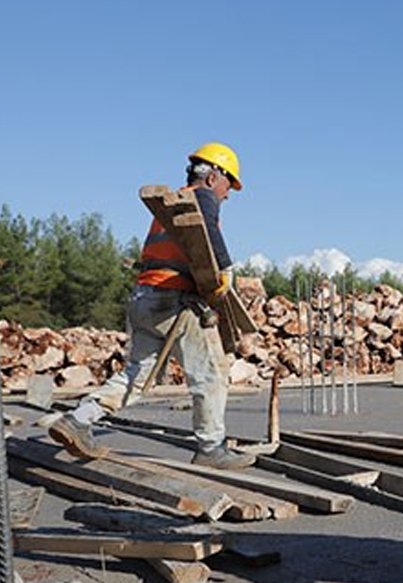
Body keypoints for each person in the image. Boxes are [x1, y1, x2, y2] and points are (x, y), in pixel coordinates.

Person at [48, 142, 254, 470]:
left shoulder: (171, 206)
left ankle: (79, 419)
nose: (228, 194)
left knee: (137, 376)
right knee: (212, 374)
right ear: (215, 176)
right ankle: (211, 448)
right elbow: (211, 236)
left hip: (145, 298)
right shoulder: (201, 198)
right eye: (229, 185)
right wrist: (225, 273)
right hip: (175, 302)